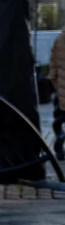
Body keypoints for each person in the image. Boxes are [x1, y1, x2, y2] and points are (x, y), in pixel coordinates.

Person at [48, 28, 65, 159]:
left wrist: (57, 85)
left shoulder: (59, 39)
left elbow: (52, 68)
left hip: (61, 88)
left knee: (59, 121)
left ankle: (59, 148)